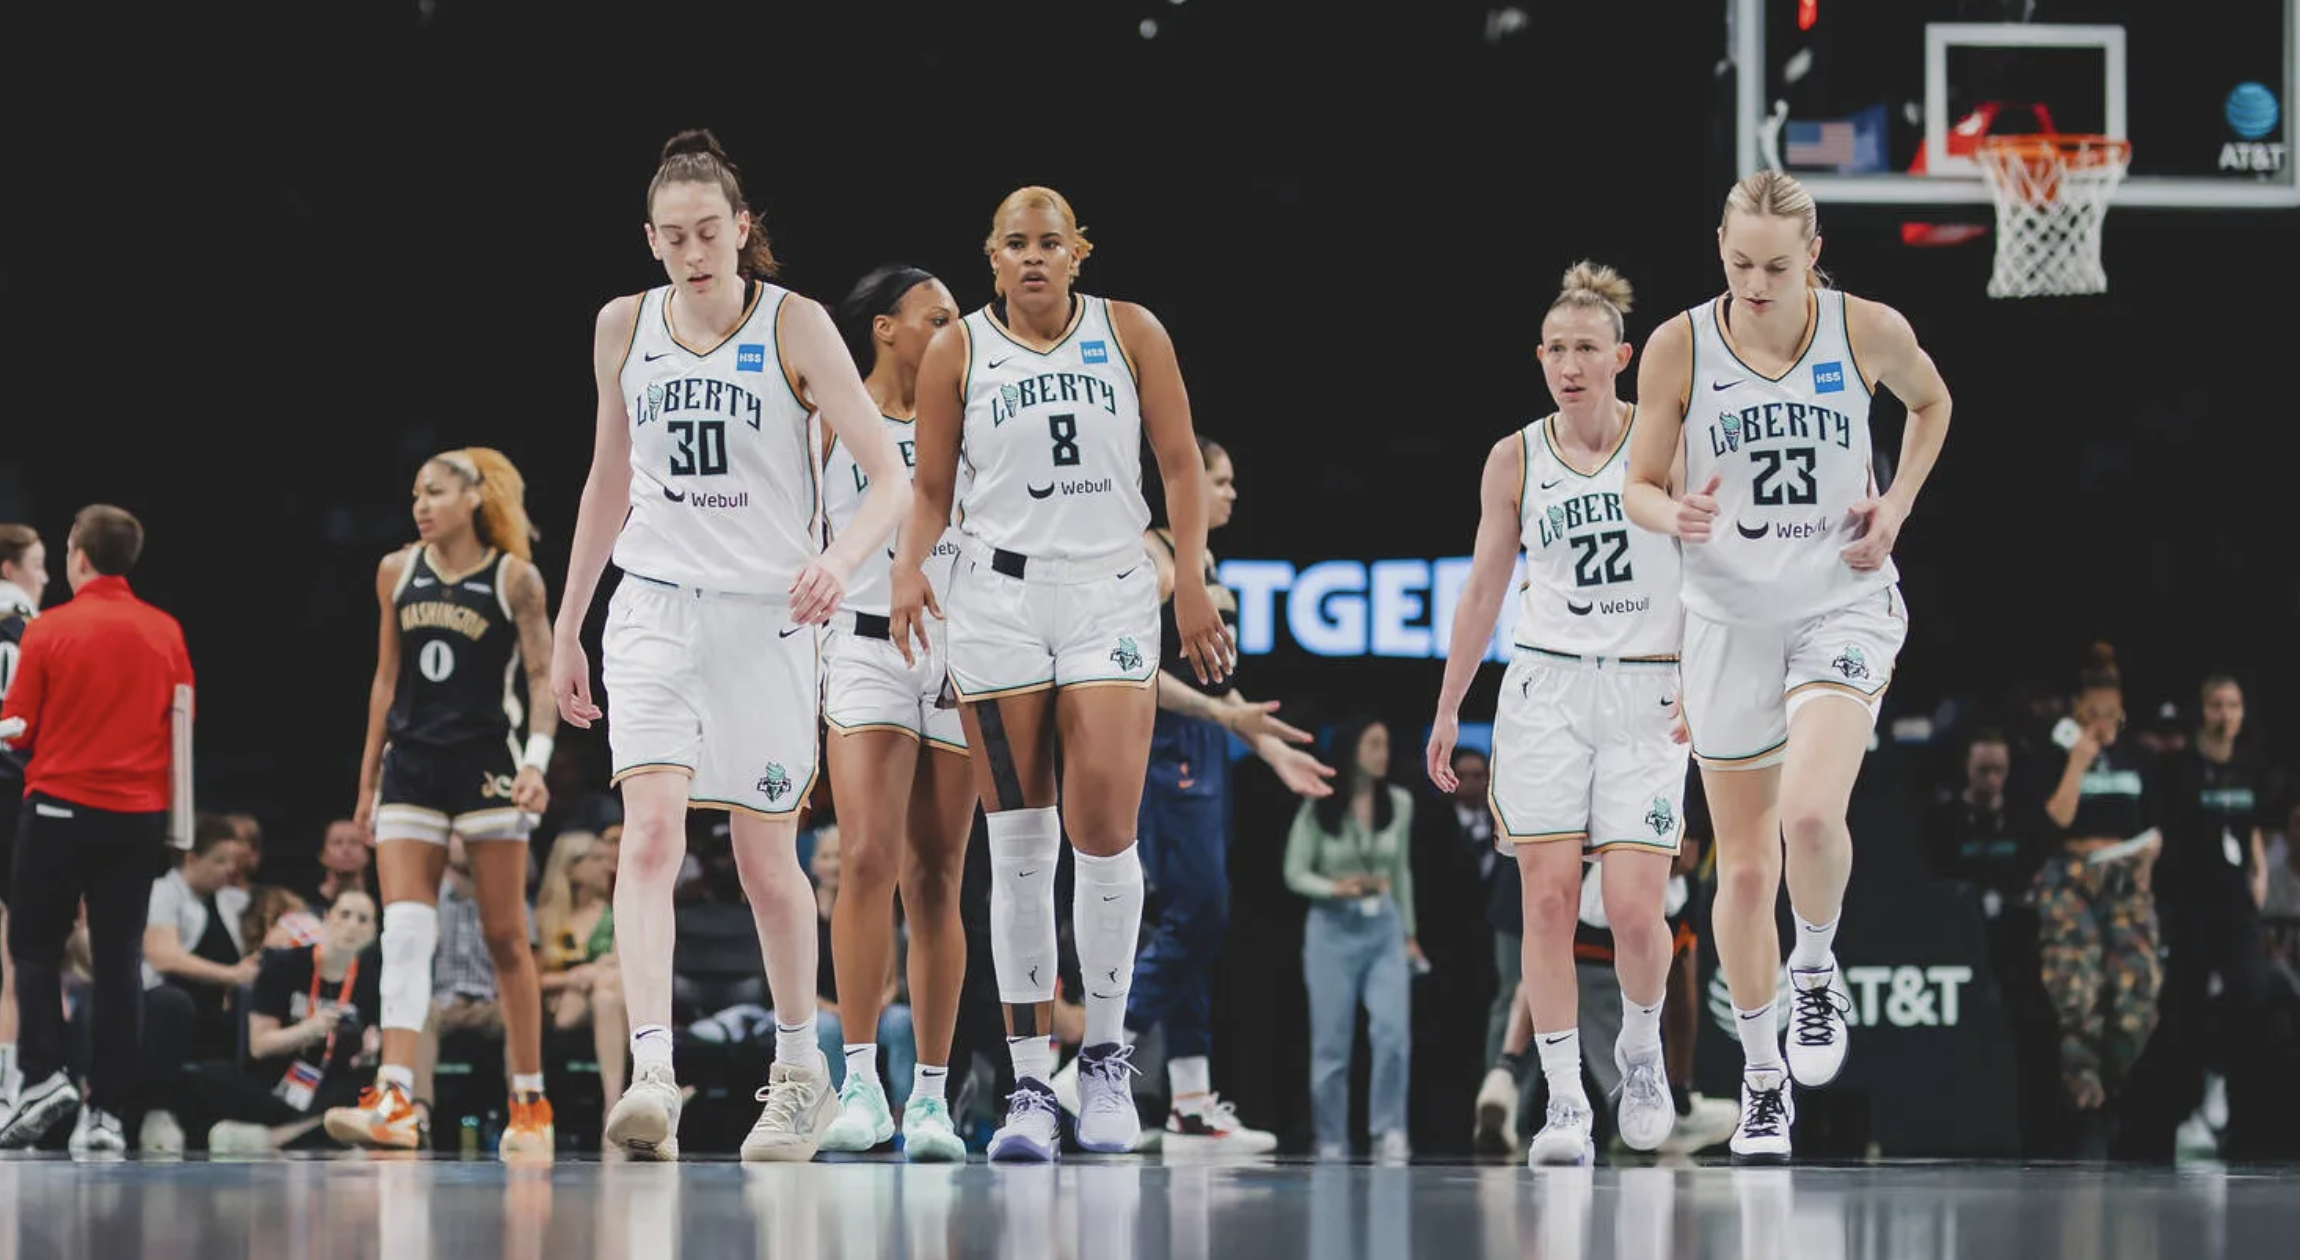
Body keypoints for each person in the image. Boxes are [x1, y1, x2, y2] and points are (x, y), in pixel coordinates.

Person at [549, 129, 912, 1162]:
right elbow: (606, 482)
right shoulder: (623, 323)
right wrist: (572, 620)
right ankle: (654, 1074)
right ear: (650, 241)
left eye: (710, 230)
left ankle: (800, 1072)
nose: (694, 250)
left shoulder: (794, 324)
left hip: (770, 613)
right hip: (654, 603)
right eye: (673, 236)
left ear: (743, 228)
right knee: (651, 837)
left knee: (765, 859)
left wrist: (838, 564)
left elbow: (890, 477)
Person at [887, 184, 1230, 1161]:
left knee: (1105, 835)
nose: (1031, 257)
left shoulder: (1130, 332)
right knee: (1023, 841)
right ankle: (1031, 1083)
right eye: (1013, 244)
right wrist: (911, 569)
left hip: (1110, 589)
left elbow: (1178, 463)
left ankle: (1108, 1057)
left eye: (1048, 242)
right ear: (989, 258)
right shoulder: (960, 349)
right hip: (995, 598)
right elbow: (931, 488)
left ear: (1079, 251)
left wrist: (1192, 582)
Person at [1623, 170, 1952, 1163]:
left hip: (1836, 604)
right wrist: (1666, 511)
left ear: (1811, 253)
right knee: (1745, 865)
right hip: (1726, 621)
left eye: (1774, 264)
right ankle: (1762, 1083)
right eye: (1737, 263)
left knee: (1810, 814)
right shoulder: (1681, 345)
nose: (1755, 282)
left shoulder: (1865, 329)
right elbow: (1637, 480)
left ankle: (1815, 964)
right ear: (1717, 250)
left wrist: (1891, 507)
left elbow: (1930, 404)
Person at [1429, 261, 1688, 1166]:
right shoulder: (1516, 456)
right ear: (1539, 358)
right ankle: (1567, 1104)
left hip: (1649, 683)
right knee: (1544, 903)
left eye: (1588, 348)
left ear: (1622, 356)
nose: (1571, 364)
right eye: (1557, 350)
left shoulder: (1669, 444)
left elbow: (1713, 573)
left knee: (1630, 910)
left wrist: (1708, 672)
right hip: (1545, 686)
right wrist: (1449, 704)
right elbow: (1483, 589)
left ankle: (1643, 1053)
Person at [1075, 435, 1329, 1153]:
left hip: (1204, 750)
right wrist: (1221, 719)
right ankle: (1097, 1059)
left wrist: (1266, 744)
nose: (1230, 492)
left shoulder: (1197, 561)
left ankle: (1188, 1101)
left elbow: (1220, 684)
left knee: (1195, 923)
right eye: (1219, 480)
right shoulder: (1150, 563)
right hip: (1160, 749)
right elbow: (1129, 671)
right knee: (1203, 915)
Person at [322, 448, 559, 1158]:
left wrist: (538, 763)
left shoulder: (516, 578)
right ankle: (394, 1096)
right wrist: (367, 783)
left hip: (488, 763)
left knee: (505, 939)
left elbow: (544, 680)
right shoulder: (396, 571)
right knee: (404, 932)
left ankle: (529, 1102)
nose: (421, 505)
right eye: (416, 495)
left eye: (434, 493)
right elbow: (384, 683)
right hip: (413, 767)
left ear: (473, 498)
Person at [812, 264, 975, 1162]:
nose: (953, 330)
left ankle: (932, 1099)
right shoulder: (831, 423)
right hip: (865, 644)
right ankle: (861, 1082)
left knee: (938, 877)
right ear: (884, 327)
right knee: (867, 855)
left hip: (954, 652)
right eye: (936, 316)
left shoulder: (969, 419)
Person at [0, 506, 194, 1154]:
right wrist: (178, 823)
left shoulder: (49, 628)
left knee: (33, 947)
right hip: (137, 818)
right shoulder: (164, 630)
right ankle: (108, 1112)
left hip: (57, 808)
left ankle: (41, 1076)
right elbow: (182, 728)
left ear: (79, 554)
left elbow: (18, 726)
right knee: (118, 961)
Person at [2032, 643, 2162, 1158]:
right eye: (2093, 713)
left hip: (2127, 876)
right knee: (2076, 988)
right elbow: (2056, 818)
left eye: (2111, 712)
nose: (2103, 723)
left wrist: (2152, 852)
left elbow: (2157, 823)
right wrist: (2079, 760)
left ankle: (2117, 1089)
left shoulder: (2139, 757)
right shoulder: (2055, 753)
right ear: (2076, 711)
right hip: (2072, 874)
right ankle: (2083, 1102)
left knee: (2137, 991)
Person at [1284, 715, 1418, 1161]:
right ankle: (1331, 1136)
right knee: (1330, 1041)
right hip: (1331, 928)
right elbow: (1295, 871)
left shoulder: (1399, 803)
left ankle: (1389, 1129)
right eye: (1374, 744)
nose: (1384, 753)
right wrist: (1334, 888)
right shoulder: (1320, 804)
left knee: (1392, 1033)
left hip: (1383, 928)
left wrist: (1410, 934)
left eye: (1385, 744)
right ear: (1352, 748)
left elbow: (1401, 873)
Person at [0, 523, 46, 1130]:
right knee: (13, 957)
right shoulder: (37, 628)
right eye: (38, 563)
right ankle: (9, 1091)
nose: (45, 575)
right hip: (18, 788)